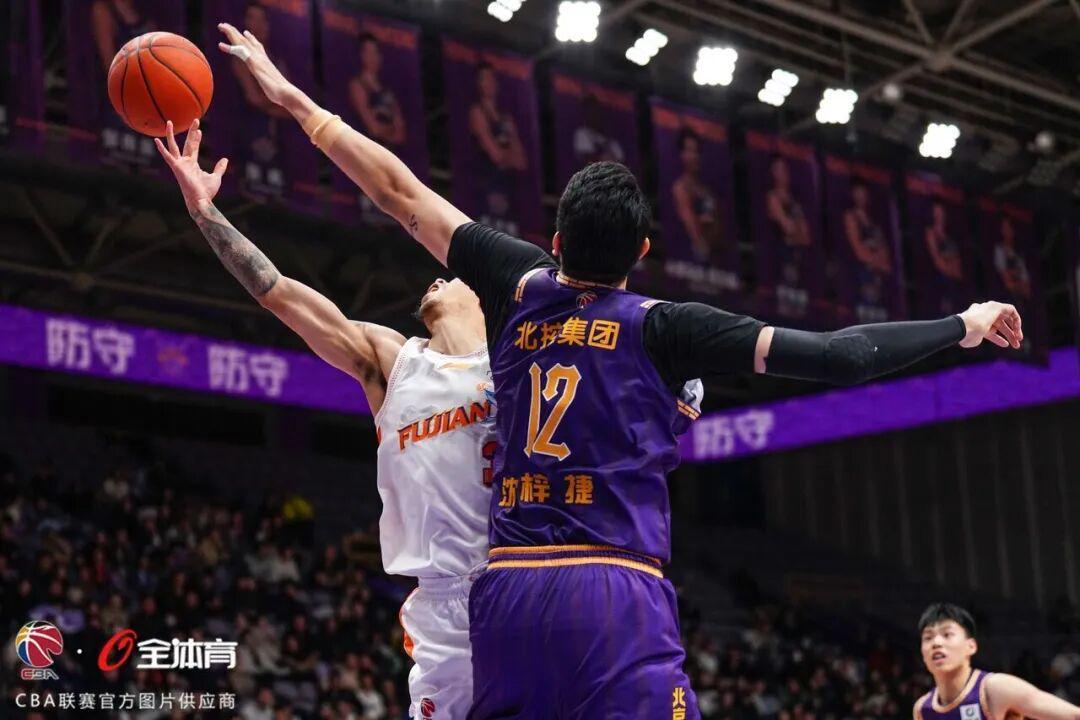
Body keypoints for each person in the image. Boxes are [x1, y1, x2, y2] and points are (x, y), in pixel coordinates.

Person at [216, 25, 1025, 717]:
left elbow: (398, 192)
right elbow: (842, 355)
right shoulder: (664, 327)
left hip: (507, 593)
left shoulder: (518, 283)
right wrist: (963, 324)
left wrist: (291, 99)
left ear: (555, 241)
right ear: (641, 252)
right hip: (610, 584)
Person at [154, 118, 493, 719]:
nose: (438, 276)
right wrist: (205, 212)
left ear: (485, 301)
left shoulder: (514, 365)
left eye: (455, 276)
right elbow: (279, 293)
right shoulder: (392, 361)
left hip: (519, 580)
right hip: (441, 605)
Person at [915, 603, 1080, 720]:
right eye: (928, 637)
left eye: (947, 635)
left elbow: (1074, 716)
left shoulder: (995, 689)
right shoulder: (923, 709)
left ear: (971, 646)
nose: (936, 643)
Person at [468, 61, 527, 236]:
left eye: (491, 78)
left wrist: (505, 157)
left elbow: (521, 162)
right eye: (484, 78)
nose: (490, 83)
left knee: (511, 237)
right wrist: (508, 156)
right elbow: (495, 156)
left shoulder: (506, 118)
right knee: (489, 237)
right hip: (488, 188)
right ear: (478, 84)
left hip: (508, 188)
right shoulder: (477, 112)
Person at [672, 128, 722, 263]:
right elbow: (690, 226)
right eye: (690, 150)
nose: (694, 156)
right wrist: (702, 247)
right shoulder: (680, 188)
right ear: (682, 154)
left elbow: (718, 225)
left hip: (715, 257)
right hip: (690, 259)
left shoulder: (707, 191)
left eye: (697, 151)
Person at [348, 32, 406, 147]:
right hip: (365, 149)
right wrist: (392, 128)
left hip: (389, 152)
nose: (373, 57)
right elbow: (373, 129)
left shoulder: (388, 92)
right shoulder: (357, 85)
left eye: (375, 53)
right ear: (362, 56)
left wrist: (388, 129)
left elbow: (401, 134)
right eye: (369, 53)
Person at [842, 181, 892, 308]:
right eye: (857, 192)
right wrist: (876, 262)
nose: (861, 196)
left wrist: (881, 263)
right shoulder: (850, 216)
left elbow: (884, 251)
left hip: (877, 276)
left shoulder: (873, 222)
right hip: (861, 273)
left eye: (863, 193)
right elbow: (858, 250)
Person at [766, 155, 811, 287]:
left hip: (798, 258)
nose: (781, 174)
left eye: (783, 169)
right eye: (777, 169)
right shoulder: (772, 197)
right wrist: (796, 233)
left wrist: (797, 235)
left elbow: (806, 237)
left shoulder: (795, 202)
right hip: (781, 257)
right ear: (773, 173)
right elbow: (788, 228)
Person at [993, 218, 1031, 300]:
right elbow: (1007, 283)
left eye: (1009, 228)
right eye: (1004, 228)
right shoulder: (999, 250)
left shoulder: (1019, 254)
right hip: (1005, 298)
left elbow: (1027, 288)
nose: (1007, 231)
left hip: (1021, 299)